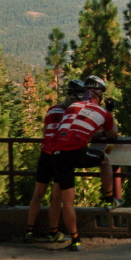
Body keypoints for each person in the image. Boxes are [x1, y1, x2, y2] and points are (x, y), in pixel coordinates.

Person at [47, 75, 119, 251]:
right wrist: (110, 112)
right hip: (75, 151)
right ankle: (109, 199)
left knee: (67, 201)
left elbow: (77, 128)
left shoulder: (73, 106)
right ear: (100, 94)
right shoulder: (103, 112)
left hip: (57, 153)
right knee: (105, 160)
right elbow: (113, 135)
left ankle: (76, 241)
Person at [24, 79, 84, 244]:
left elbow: (45, 132)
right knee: (56, 197)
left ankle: (29, 231)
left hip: (45, 154)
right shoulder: (74, 113)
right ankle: (53, 232)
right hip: (60, 156)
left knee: (38, 194)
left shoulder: (52, 110)